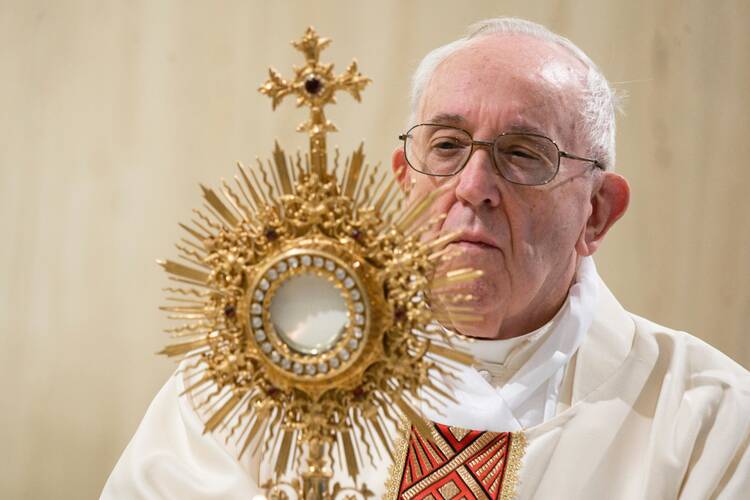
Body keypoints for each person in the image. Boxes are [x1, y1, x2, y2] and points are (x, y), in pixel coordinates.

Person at [102, 17, 750, 499]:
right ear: (402, 178)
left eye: (523, 154)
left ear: (597, 212)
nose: (473, 187)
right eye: (446, 146)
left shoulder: (708, 421)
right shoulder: (245, 386)